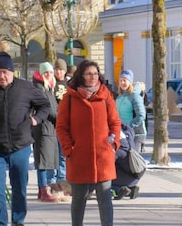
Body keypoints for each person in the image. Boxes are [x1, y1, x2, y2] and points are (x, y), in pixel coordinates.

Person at [0, 52, 51, 226]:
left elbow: (44, 105)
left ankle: (18, 220)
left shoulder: (26, 88)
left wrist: (35, 119)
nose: (2, 75)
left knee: (19, 188)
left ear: (13, 72)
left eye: (5, 71)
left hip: (20, 146)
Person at [56, 60, 121, 226]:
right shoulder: (69, 98)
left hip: (103, 157)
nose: (93, 77)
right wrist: (69, 149)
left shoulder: (106, 96)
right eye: (88, 74)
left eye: (95, 73)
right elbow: (61, 127)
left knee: (105, 199)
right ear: (81, 76)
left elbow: (115, 122)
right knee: (79, 200)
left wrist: (113, 144)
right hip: (79, 157)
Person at [114, 69, 146, 197]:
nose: (123, 82)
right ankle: (128, 187)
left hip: (135, 134)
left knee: (133, 162)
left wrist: (129, 127)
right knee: (123, 162)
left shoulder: (134, 96)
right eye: (121, 80)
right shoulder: (120, 96)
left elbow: (141, 115)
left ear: (130, 82)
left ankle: (128, 186)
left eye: (125, 80)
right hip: (123, 134)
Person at [33, 62, 60, 202]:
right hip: (44, 128)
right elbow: (47, 108)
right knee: (43, 160)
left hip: (49, 128)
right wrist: (60, 118)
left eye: (50, 72)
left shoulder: (48, 87)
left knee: (46, 159)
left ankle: (42, 189)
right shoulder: (39, 88)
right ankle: (44, 189)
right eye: (46, 72)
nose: (49, 74)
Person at [112, 124, 143, 200]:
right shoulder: (129, 136)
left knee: (103, 180)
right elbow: (129, 128)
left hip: (124, 177)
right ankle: (132, 188)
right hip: (136, 175)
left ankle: (120, 189)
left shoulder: (118, 151)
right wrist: (119, 122)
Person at [52, 59, 69, 188]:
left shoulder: (69, 84)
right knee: (53, 152)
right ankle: (52, 179)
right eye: (56, 69)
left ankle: (62, 178)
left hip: (65, 123)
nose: (58, 72)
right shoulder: (51, 83)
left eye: (61, 69)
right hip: (53, 122)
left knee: (63, 152)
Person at [132, 81, 148, 153]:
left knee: (134, 155)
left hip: (138, 132)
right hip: (139, 132)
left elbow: (142, 118)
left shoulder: (137, 100)